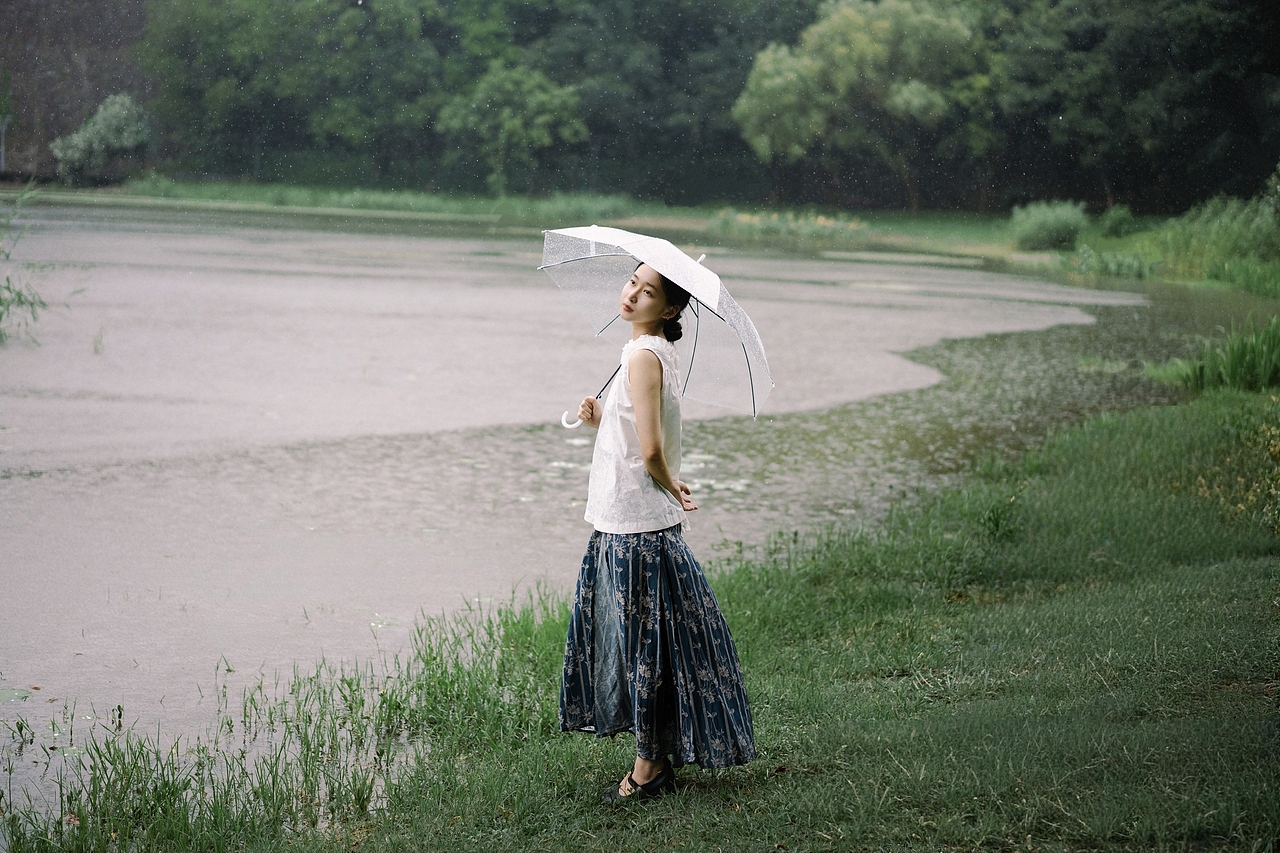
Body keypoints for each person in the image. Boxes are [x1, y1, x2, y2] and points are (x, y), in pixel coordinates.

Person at [559, 262, 756, 802]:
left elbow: (650, 452)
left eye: (648, 292)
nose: (632, 295)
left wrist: (673, 484)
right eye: (632, 283)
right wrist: (603, 418)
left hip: (633, 525)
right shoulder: (653, 354)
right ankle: (657, 756)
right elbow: (639, 433)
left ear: (669, 309)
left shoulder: (643, 357)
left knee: (642, 646)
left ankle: (649, 769)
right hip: (637, 519)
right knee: (656, 641)